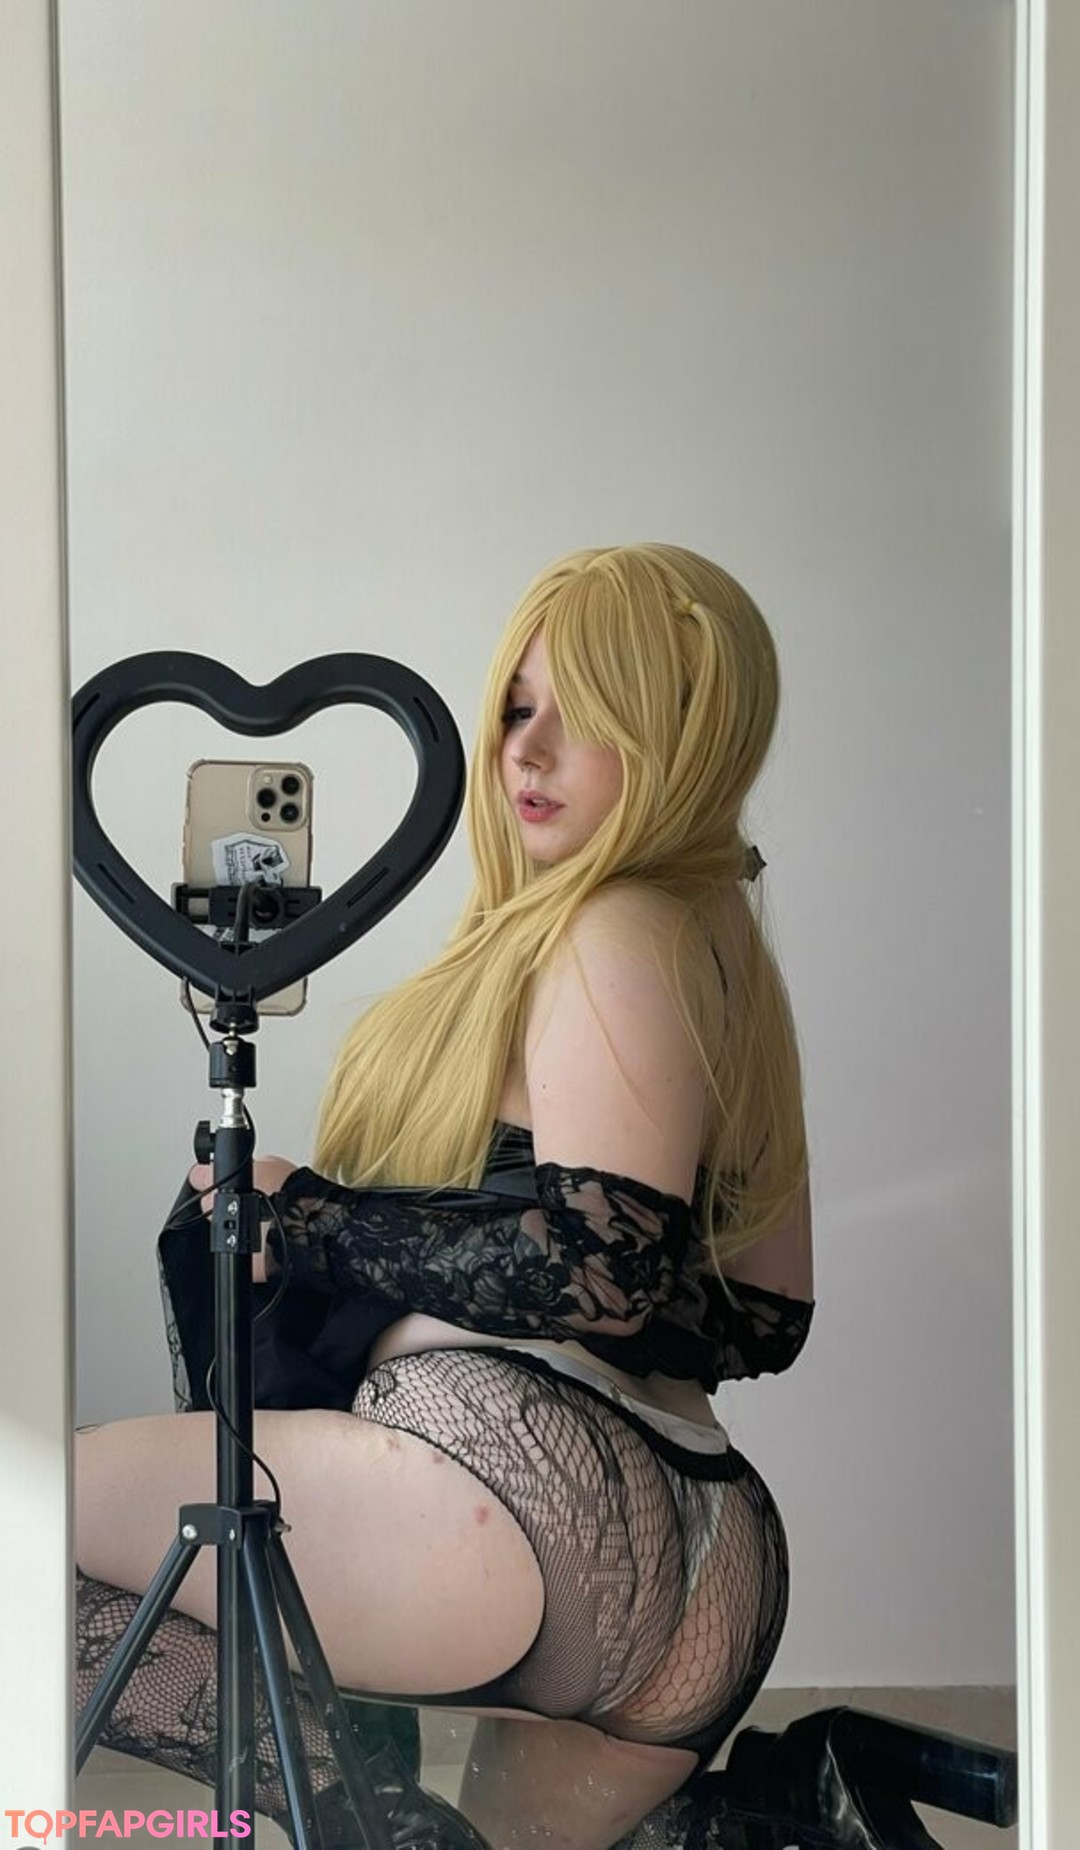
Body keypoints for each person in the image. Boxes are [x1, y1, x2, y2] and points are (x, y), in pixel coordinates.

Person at [75, 543, 814, 1850]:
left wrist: (307, 1219)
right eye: (517, 707)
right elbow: (765, 1317)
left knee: (26, 1511)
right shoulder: (724, 953)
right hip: (705, 1556)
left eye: (592, 711)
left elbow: (597, 1267)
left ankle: (356, 1804)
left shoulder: (612, 926)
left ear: (689, 731)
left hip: (509, 1500)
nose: (529, 750)